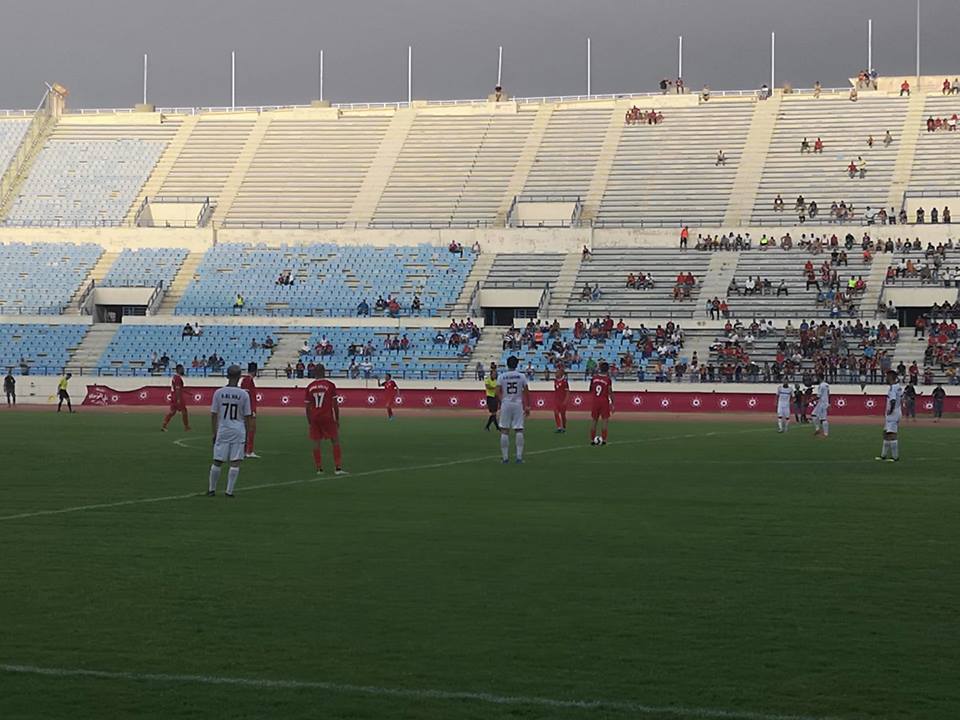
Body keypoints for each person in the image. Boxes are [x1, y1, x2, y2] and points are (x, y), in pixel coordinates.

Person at [207, 365, 252, 498]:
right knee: (235, 461)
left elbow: (214, 414)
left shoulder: (219, 392)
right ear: (239, 377)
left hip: (223, 429)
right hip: (238, 430)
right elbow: (247, 416)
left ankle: (211, 489)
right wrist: (248, 435)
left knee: (217, 460)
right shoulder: (244, 394)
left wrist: (214, 432)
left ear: (227, 376)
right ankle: (229, 491)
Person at [305, 364, 345, 475]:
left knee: (316, 442)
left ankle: (319, 469)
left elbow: (307, 407)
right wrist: (337, 419)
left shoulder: (310, 387)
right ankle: (338, 468)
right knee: (335, 440)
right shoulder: (330, 385)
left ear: (315, 373)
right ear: (324, 372)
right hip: (327, 416)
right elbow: (335, 404)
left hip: (315, 417)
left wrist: (309, 421)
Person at [496, 356, 530, 463]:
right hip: (517, 404)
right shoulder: (521, 376)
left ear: (507, 364)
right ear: (516, 364)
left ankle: (505, 458)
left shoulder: (502, 376)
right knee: (519, 429)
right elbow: (526, 391)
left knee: (504, 430)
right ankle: (519, 457)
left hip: (506, 403)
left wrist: (503, 400)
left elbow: (497, 391)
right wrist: (527, 406)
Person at [876, 370, 902, 462]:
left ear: (891, 377)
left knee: (892, 434)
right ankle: (883, 455)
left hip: (893, 414)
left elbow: (893, 400)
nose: (886, 378)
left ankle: (895, 457)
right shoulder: (898, 387)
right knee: (886, 434)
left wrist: (890, 411)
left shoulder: (893, 388)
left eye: (887, 376)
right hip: (896, 412)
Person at [589, 360, 613, 445]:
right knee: (605, 420)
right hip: (604, 401)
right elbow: (610, 391)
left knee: (594, 420)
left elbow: (590, 389)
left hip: (595, 401)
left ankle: (592, 439)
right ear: (607, 370)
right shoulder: (608, 380)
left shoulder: (594, 378)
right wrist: (612, 403)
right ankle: (604, 439)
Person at [161, 364, 190, 432]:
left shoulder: (175, 377)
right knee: (184, 411)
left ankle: (164, 425)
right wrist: (178, 399)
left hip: (174, 396)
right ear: (179, 370)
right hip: (177, 396)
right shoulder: (177, 378)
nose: (183, 370)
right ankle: (186, 427)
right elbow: (177, 389)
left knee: (173, 412)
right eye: (182, 369)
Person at [240, 362, 259, 458]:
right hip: (249, 409)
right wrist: (251, 410)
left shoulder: (245, 380)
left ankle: (244, 451)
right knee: (251, 430)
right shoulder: (248, 380)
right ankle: (248, 451)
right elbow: (246, 396)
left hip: (248, 409)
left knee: (248, 430)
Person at [553, 366, 569, 433]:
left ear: (561, 374)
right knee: (556, 413)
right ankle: (559, 427)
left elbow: (568, 392)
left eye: (557, 373)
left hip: (563, 400)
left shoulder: (565, 382)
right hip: (557, 400)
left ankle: (564, 427)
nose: (556, 374)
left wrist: (565, 400)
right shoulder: (555, 381)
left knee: (563, 415)